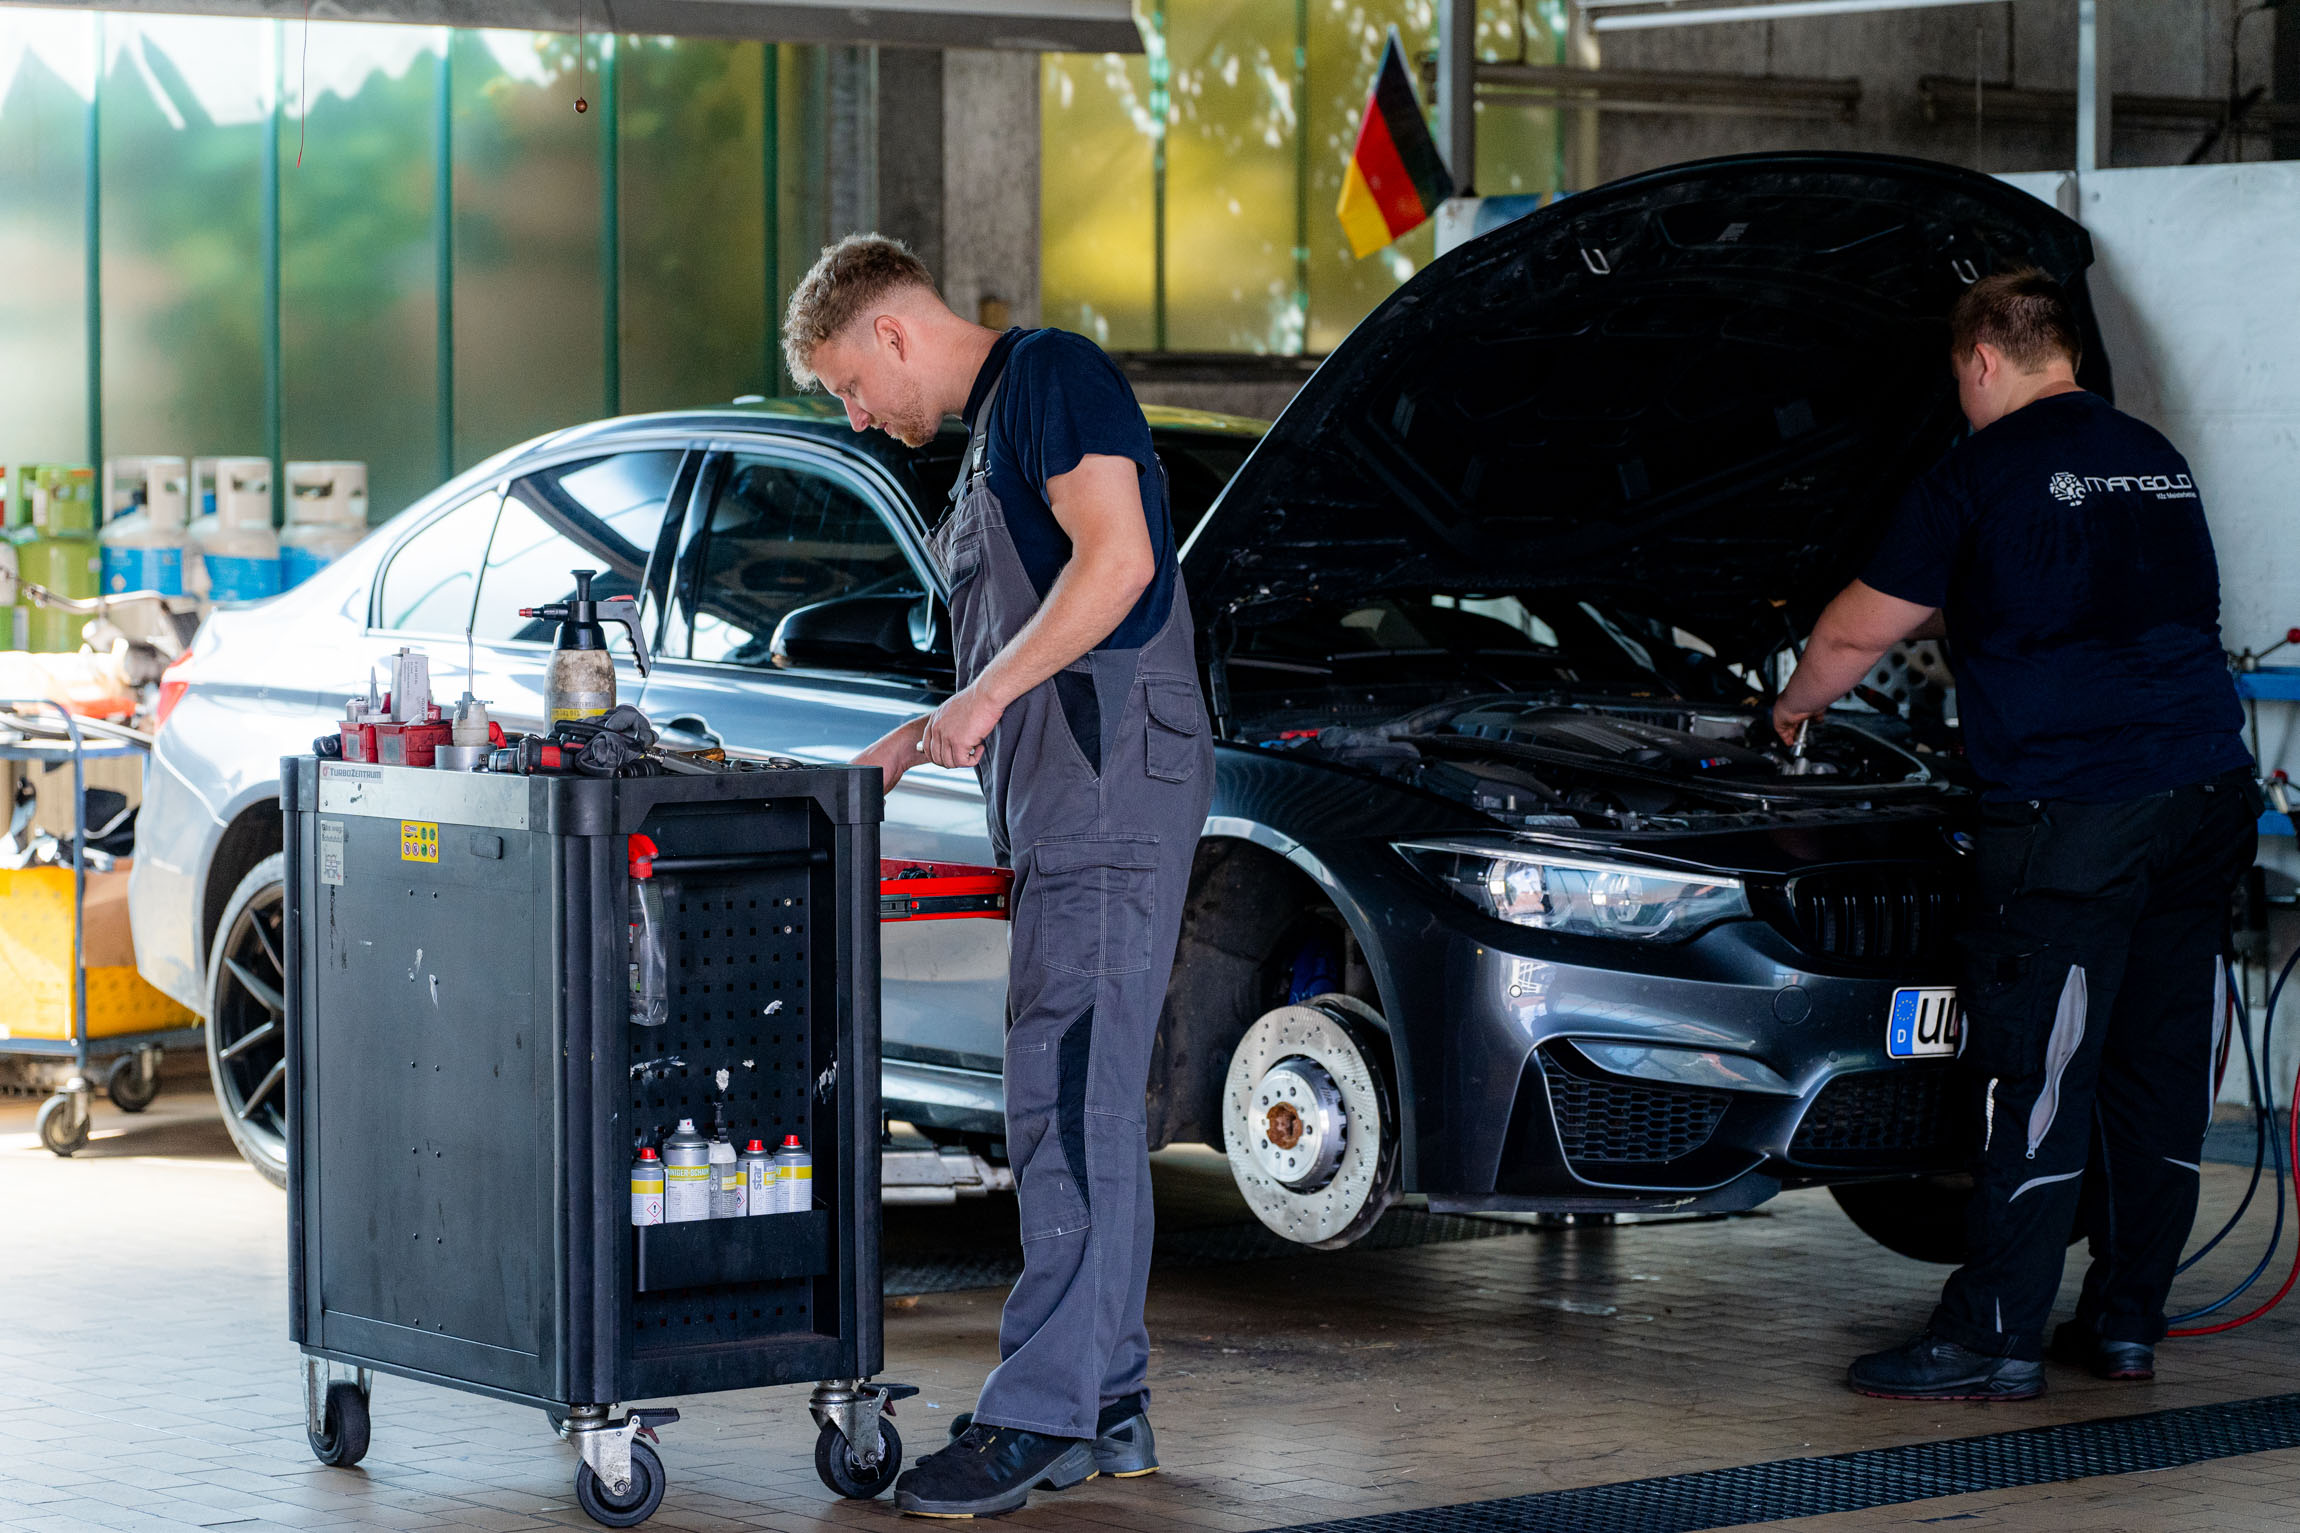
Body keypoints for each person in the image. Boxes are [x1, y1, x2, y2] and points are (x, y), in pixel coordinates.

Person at [1773, 268, 2258, 1402]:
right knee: (2154, 1069)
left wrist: (1792, 708)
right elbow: (2097, 596)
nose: (1960, 398)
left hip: (2073, 816)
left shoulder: (1979, 469)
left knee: (2037, 1074)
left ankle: (1993, 1333)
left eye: (1958, 380)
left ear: (1981, 361)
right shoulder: (2155, 461)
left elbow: (1851, 635)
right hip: (2200, 796)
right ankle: (2126, 1322)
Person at [784, 236, 1213, 1515]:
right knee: (1078, 1102)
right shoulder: (991, 438)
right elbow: (1033, 632)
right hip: (1065, 799)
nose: (858, 415)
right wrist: (920, 736)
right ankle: (1107, 1405)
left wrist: (977, 695)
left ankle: (1035, 1416)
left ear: (892, 333)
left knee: (1063, 1097)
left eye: (848, 385)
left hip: (1104, 792)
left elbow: (1119, 564)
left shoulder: (1048, 377)